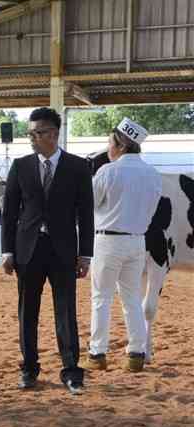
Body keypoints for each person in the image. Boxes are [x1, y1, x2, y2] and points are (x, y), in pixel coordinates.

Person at [1, 107, 94, 395]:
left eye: (38, 133)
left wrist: (85, 254)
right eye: (30, 133)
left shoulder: (79, 167)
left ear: (53, 134)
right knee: (27, 311)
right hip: (28, 249)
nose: (32, 138)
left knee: (65, 311)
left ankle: (71, 371)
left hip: (64, 250)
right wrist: (7, 251)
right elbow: (10, 213)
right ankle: (29, 369)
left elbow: (86, 214)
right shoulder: (20, 165)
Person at [84, 118, 162, 373]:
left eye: (110, 142)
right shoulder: (153, 174)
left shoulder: (108, 171)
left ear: (120, 144)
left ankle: (98, 353)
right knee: (131, 298)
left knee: (101, 298)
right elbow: (151, 212)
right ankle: (137, 353)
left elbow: (90, 204)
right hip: (137, 241)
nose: (108, 147)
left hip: (108, 240)